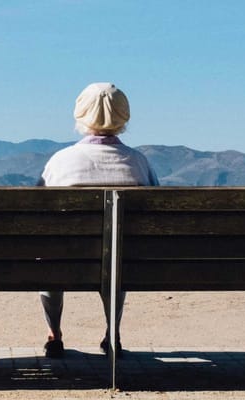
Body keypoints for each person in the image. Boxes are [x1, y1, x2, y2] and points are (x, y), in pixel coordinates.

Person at [38, 82, 159, 358]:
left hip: (65, 262)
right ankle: (111, 333)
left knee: (49, 259)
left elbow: (38, 213)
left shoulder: (61, 162)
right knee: (116, 257)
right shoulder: (139, 163)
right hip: (125, 263)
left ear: (79, 116)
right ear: (123, 117)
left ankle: (54, 335)